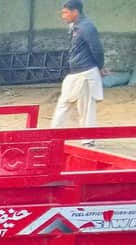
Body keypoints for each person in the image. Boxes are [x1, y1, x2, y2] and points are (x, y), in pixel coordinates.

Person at [51, 0, 106, 146]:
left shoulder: (87, 27)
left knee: (86, 108)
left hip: (87, 73)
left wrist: (100, 67)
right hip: (74, 73)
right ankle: (52, 136)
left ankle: (88, 140)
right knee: (64, 104)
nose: (63, 16)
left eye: (66, 12)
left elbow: (97, 49)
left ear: (75, 12)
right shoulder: (75, 26)